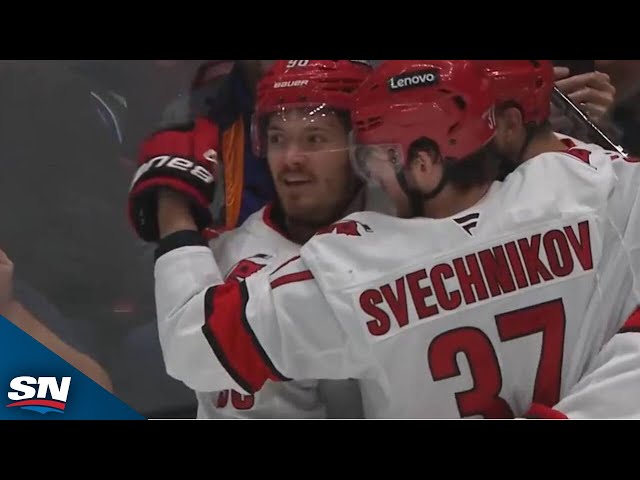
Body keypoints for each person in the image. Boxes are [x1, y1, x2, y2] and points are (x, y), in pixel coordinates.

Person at [148, 60, 640, 418]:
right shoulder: (597, 190)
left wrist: (174, 210)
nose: (370, 171)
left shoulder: (353, 267)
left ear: (423, 164)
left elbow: (194, 344)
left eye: (376, 154)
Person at [130, 60, 386, 418]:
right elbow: (188, 346)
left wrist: (173, 212)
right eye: (278, 139)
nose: (291, 159)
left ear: (360, 148)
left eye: (314, 138)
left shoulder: (401, 248)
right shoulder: (221, 255)